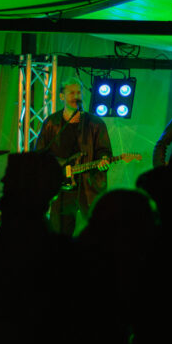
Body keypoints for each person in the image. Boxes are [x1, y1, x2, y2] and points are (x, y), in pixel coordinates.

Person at [34, 78, 112, 235]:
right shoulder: (51, 122)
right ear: (61, 96)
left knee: (97, 232)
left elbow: (104, 150)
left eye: (78, 93)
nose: (76, 96)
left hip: (89, 185)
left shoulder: (95, 123)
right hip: (62, 189)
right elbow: (40, 154)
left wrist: (104, 159)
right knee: (60, 233)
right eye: (71, 93)